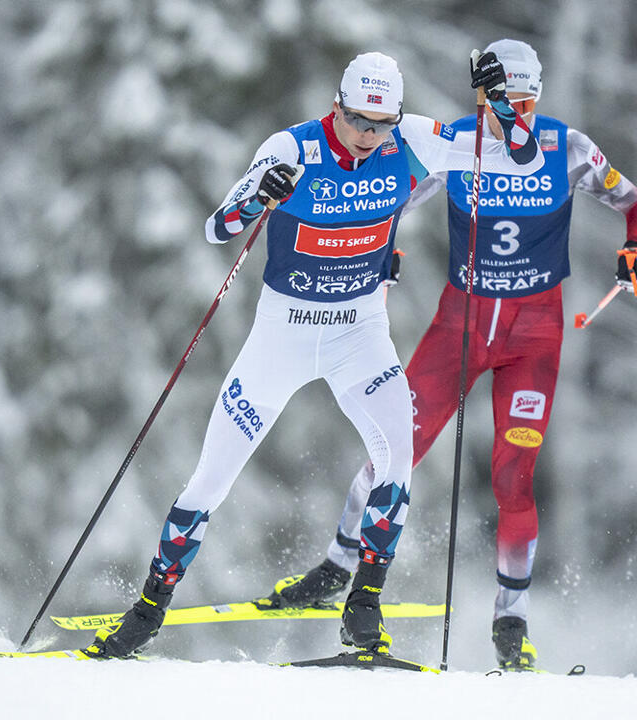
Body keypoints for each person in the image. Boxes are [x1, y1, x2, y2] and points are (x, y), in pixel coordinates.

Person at [83, 49, 544, 659]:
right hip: (284, 336)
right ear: (337, 106)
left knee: (397, 460)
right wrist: (256, 196)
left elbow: (522, 159)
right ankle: (146, 612)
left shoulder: (412, 141)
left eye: (381, 125)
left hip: (360, 334)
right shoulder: (293, 148)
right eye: (358, 121)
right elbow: (218, 228)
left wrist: (504, 110)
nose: (369, 136)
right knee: (211, 479)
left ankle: (363, 607)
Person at [264, 39, 637, 670]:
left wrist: (633, 249)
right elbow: (387, 200)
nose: (511, 113)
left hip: (534, 337)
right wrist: (378, 250)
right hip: (459, 328)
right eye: (500, 101)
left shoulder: (569, 148)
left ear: (536, 96)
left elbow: (631, 200)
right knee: (393, 450)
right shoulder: (454, 143)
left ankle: (511, 620)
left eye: (523, 100)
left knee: (513, 477)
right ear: (480, 96)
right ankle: (337, 567)